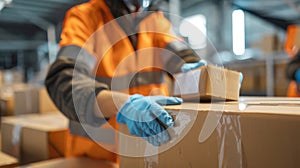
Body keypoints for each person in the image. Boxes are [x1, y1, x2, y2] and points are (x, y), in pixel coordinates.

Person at [45, 0, 205, 163]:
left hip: (149, 153)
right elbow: (64, 79)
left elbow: (180, 55)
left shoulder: (155, 19)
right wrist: (123, 105)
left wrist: (195, 70)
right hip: (96, 159)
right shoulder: (86, 17)